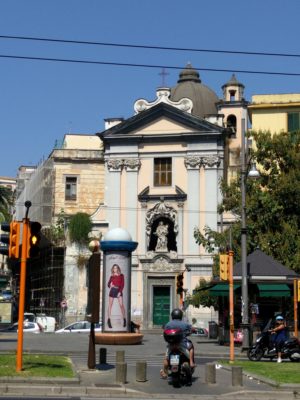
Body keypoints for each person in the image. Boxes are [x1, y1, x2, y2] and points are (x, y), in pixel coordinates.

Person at [160, 308, 195, 379]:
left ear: (172, 315)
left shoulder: (168, 324)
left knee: (166, 358)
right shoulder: (184, 324)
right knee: (191, 347)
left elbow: (164, 329)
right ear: (180, 315)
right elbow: (192, 329)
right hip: (182, 344)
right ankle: (191, 362)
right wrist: (192, 330)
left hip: (171, 345)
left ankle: (164, 371)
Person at [107, 264, 126, 329]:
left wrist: (120, 292)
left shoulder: (121, 276)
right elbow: (108, 284)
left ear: (118, 269)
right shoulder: (111, 277)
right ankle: (109, 320)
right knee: (110, 305)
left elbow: (122, 284)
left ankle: (124, 319)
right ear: (113, 269)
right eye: (114, 268)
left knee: (121, 305)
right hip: (112, 290)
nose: (115, 269)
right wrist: (110, 285)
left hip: (118, 290)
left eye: (116, 268)